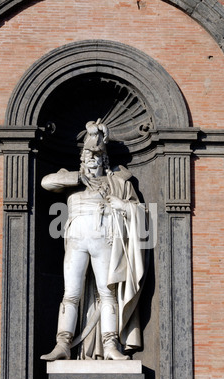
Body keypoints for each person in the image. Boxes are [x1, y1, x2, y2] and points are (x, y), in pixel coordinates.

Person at [40, 119, 146, 361]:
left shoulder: (117, 183)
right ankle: (63, 344)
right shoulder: (70, 179)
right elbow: (47, 182)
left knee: (106, 293)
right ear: (82, 159)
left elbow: (140, 211)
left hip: (105, 241)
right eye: (88, 155)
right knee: (71, 293)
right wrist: (78, 178)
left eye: (97, 156)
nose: (92, 159)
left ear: (103, 159)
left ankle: (110, 346)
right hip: (77, 241)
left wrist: (123, 206)